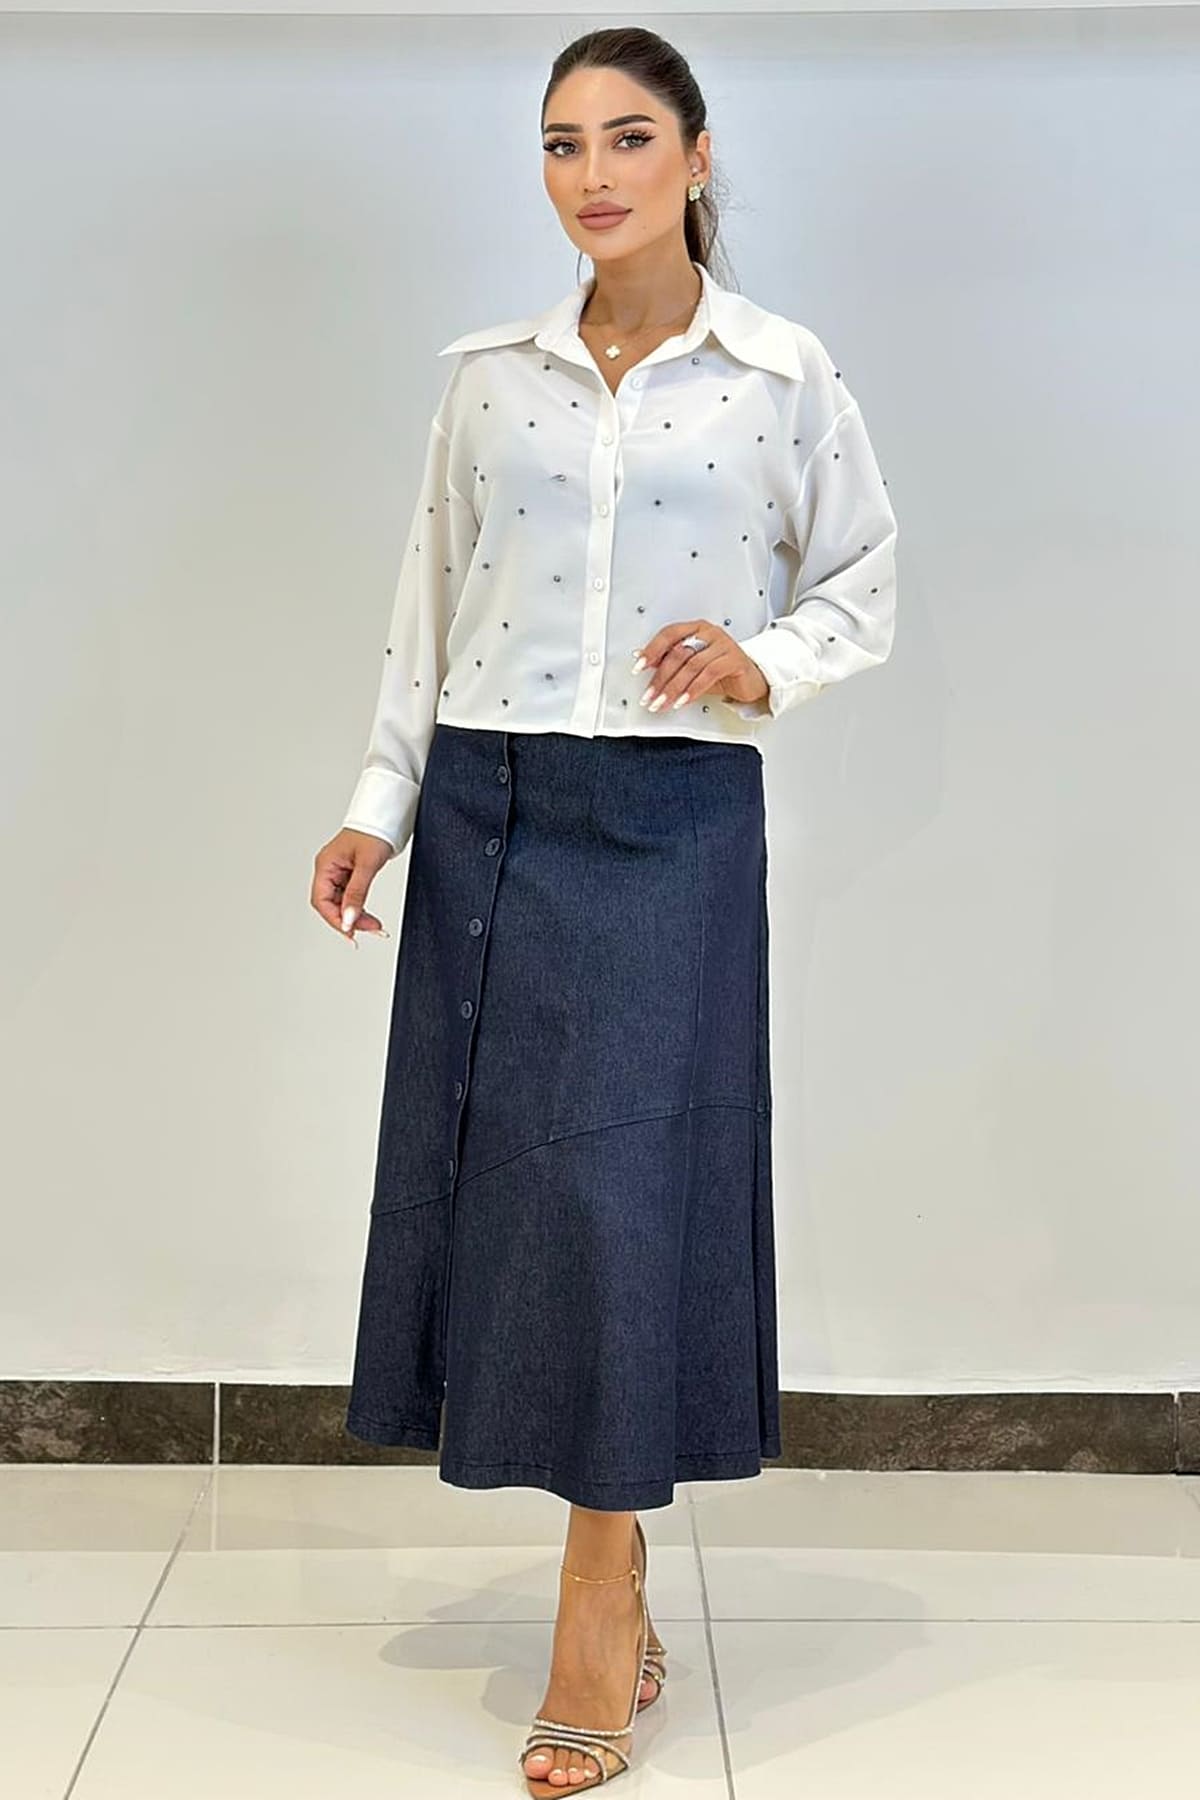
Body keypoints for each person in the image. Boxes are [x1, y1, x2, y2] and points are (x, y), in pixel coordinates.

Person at [310, 26, 898, 1795]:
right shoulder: (489, 381)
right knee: (520, 1199)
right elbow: (430, 599)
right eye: (563, 143)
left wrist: (764, 659)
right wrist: (377, 807)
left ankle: (594, 1590)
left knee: (620, 1197)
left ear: (698, 158)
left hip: (670, 819)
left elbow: (863, 576)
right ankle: (609, 1567)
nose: (594, 174)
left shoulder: (780, 373)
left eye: (630, 138)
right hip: (490, 812)